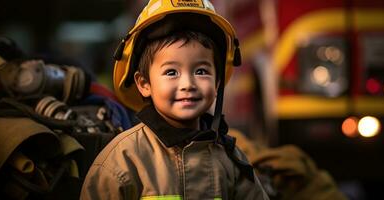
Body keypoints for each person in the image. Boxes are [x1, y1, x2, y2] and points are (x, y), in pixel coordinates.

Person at [80, 0, 269, 199]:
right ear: (144, 84)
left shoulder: (231, 160)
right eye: (171, 72)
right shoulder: (122, 161)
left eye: (201, 71)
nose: (188, 84)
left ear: (217, 82)